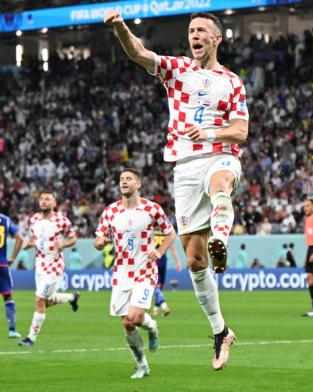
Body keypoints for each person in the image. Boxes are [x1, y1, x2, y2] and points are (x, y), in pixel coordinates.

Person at [104, 10, 249, 370]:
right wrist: (121, 27)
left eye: (202, 30)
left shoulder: (232, 82)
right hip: (184, 167)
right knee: (196, 260)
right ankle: (220, 331)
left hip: (220, 155)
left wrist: (212, 134)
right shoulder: (177, 69)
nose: (194, 35)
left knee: (221, 185)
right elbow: (138, 53)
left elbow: (241, 132)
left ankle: (221, 238)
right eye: (191, 31)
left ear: (217, 39)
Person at [94, 169, 176, 379]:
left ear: (138, 183)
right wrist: (100, 242)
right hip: (121, 273)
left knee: (136, 316)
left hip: (144, 270)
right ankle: (142, 365)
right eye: (121, 179)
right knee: (128, 323)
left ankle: (152, 326)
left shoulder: (152, 209)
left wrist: (159, 251)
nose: (124, 182)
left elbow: (170, 233)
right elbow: (99, 239)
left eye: (129, 179)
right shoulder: (110, 211)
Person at [18, 191, 80, 346]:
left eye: (48, 199)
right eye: (42, 199)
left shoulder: (61, 221)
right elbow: (34, 238)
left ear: (54, 204)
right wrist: (29, 244)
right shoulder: (34, 220)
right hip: (39, 265)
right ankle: (71, 298)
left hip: (54, 266)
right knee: (45, 301)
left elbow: (73, 238)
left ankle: (30, 338)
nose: (44, 201)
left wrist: (64, 244)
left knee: (39, 300)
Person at [0, 213, 23, 338]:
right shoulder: (5, 219)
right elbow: (19, 238)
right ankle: (12, 330)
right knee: (7, 296)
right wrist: (13, 257)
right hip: (1, 264)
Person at [151, 231, 182, 317]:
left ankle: (156, 310)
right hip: (163, 260)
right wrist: (178, 261)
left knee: (158, 286)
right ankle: (163, 307)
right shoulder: (166, 233)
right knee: (158, 286)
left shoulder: (152, 232)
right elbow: (172, 248)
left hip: (154, 259)